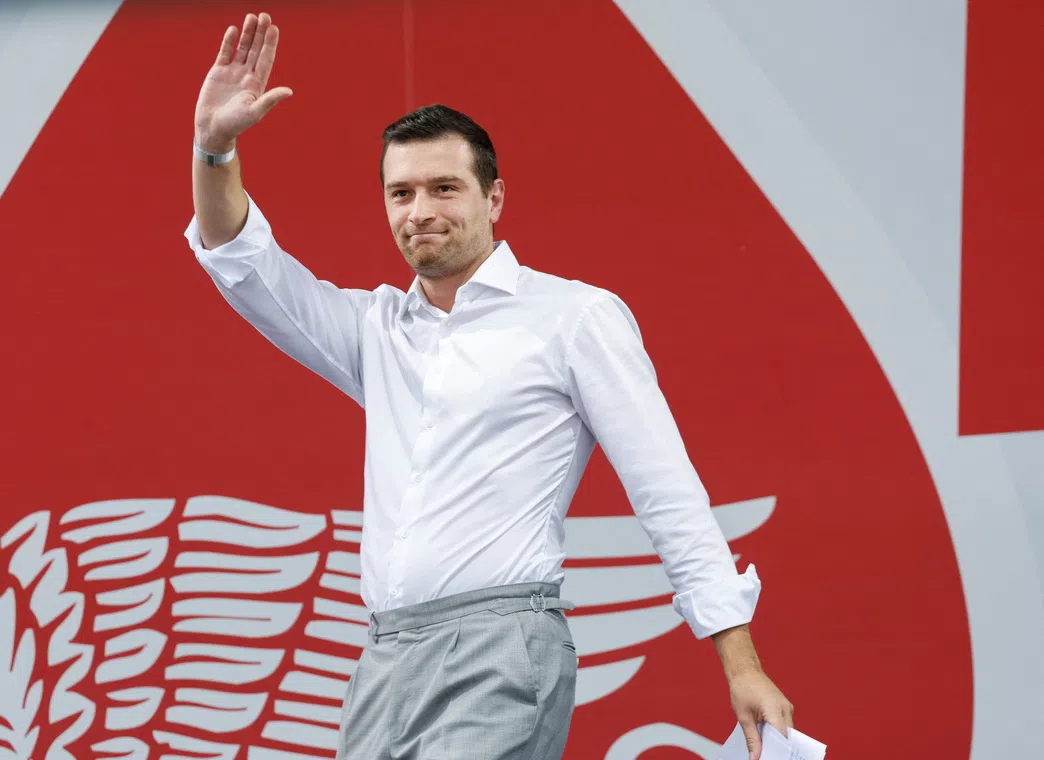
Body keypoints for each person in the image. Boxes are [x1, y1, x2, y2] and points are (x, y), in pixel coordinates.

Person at [185, 11, 793, 760]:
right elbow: (243, 263)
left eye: (445, 187)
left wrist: (741, 660)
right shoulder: (376, 331)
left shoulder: (574, 317)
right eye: (401, 194)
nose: (422, 212)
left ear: (494, 198)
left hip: (504, 647)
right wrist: (214, 148)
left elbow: (665, 489)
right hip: (383, 659)